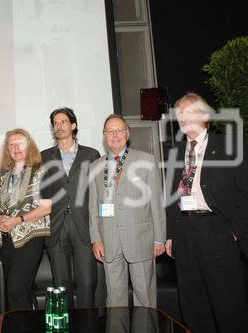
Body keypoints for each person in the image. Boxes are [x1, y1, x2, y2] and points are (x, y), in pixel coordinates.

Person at [165, 92, 248, 333]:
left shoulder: (230, 146)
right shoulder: (175, 151)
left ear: (206, 116)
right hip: (185, 233)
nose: (183, 117)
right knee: (193, 303)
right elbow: (172, 198)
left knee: (228, 304)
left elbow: (245, 192)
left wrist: (235, 232)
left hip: (218, 231)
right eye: (180, 113)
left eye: (190, 112)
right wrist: (171, 234)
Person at [89, 114, 166, 307]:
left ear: (128, 133)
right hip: (109, 242)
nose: (115, 135)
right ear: (104, 135)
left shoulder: (146, 160)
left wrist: (159, 239)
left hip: (140, 240)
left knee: (145, 300)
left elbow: (156, 202)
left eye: (119, 130)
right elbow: (93, 207)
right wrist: (96, 239)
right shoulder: (95, 167)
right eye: (110, 131)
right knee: (115, 301)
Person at [41, 107, 101, 307]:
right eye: (55, 123)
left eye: (63, 122)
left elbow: (97, 192)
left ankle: (87, 326)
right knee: (61, 284)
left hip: (83, 224)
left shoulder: (91, 155)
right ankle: (64, 325)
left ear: (73, 125)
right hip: (55, 225)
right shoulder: (44, 157)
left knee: (87, 281)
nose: (59, 126)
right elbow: (41, 193)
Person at [0, 128, 51, 310]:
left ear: (29, 146)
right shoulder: (4, 176)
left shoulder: (42, 171)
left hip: (30, 238)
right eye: (12, 144)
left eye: (20, 144)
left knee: (15, 290)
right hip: (6, 240)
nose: (16, 147)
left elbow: (46, 207)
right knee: (23, 291)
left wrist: (16, 221)